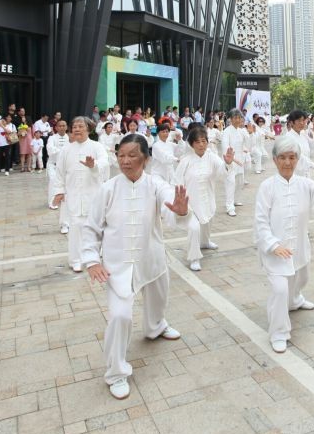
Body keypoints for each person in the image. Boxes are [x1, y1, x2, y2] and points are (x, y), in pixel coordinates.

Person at [82, 134, 190, 400]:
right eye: (121, 155)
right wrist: (92, 260)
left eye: (132, 155)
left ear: (146, 158)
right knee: (120, 316)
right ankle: (116, 373)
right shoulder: (108, 189)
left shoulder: (156, 184)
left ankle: (156, 327)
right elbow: (91, 228)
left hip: (151, 258)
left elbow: (169, 204)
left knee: (158, 298)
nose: (125, 161)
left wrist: (179, 210)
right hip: (117, 266)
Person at [255, 136, 314, 352]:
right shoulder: (267, 187)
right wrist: (273, 245)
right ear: (274, 160)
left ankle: (296, 300)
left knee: (302, 278)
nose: (287, 162)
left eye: (292, 157)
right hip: (275, 252)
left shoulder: (304, 184)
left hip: (299, 248)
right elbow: (260, 222)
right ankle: (279, 332)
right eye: (282, 157)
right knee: (280, 290)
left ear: (298, 160)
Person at [51, 117, 108, 272]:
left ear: (88, 129)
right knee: (75, 227)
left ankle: (94, 256)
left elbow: (104, 163)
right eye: (74, 126)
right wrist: (59, 192)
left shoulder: (97, 147)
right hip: (74, 195)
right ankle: (76, 259)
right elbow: (60, 173)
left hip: (93, 194)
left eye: (80, 126)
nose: (76, 129)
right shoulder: (66, 150)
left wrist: (93, 165)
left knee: (95, 226)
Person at [173, 125, 233, 271]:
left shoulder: (212, 157)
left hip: (207, 197)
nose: (201, 145)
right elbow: (177, 181)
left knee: (207, 221)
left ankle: (205, 242)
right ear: (192, 144)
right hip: (189, 202)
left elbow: (222, 173)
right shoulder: (185, 161)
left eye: (204, 141)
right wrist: (178, 200)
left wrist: (227, 163)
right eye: (198, 142)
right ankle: (194, 258)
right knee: (194, 228)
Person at [221, 109, 249, 215]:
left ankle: (236, 200)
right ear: (231, 119)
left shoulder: (241, 131)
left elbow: (248, 143)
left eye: (239, 117)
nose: (238, 120)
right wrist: (232, 159)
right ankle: (229, 207)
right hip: (230, 161)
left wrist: (247, 132)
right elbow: (225, 147)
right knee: (230, 183)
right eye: (235, 117)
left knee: (239, 182)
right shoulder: (227, 131)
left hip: (240, 161)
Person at [46, 119, 70, 210]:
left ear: (67, 127)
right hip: (53, 165)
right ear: (56, 127)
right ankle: (52, 202)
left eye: (64, 125)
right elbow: (50, 150)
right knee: (53, 181)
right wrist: (63, 151)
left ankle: (63, 199)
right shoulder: (52, 138)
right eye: (60, 126)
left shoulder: (69, 138)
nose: (62, 127)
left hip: (66, 165)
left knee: (66, 183)